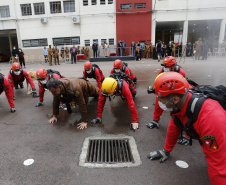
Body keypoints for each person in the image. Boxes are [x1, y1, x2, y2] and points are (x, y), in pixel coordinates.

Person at [147, 72, 226, 185]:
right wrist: (166, 151)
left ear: (174, 100)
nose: (159, 102)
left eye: (160, 99)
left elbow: (219, 168)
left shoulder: (210, 118)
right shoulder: (181, 99)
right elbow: (175, 125)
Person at [146, 56, 186, 129]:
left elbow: (183, 85)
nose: (165, 68)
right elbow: (158, 82)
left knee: (181, 104)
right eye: (164, 66)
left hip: (176, 90)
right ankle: (155, 120)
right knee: (158, 100)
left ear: (173, 66)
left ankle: (182, 122)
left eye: (167, 66)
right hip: (165, 88)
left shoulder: (180, 72)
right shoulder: (161, 71)